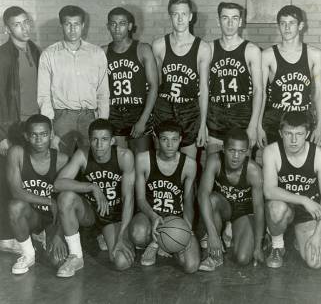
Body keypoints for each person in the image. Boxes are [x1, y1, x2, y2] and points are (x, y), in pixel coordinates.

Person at [54, 119, 135, 277]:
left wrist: (121, 236)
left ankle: (103, 236)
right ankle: (76, 256)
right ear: (89, 139)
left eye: (104, 139)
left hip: (113, 216)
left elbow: (128, 200)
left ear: (112, 140)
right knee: (66, 197)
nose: (99, 145)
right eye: (94, 139)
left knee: (121, 262)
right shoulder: (83, 154)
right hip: (90, 212)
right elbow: (58, 184)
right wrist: (92, 187)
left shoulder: (124, 156)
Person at [37, 5, 109, 157]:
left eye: (76, 24)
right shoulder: (49, 54)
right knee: (61, 162)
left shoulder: (96, 53)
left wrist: (102, 123)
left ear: (83, 25)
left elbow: (103, 92)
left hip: (89, 117)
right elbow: (43, 95)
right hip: (62, 118)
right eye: (68, 24)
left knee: (91, 162)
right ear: (61, 25)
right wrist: (49, 126)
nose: (72, 29)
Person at [129, 120, 200, 273]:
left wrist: (187, 229)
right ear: (156, 139)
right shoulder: (143, 159)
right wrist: (153, 216)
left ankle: (163, 244)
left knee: (191, 266)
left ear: (180, 140)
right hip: (150, 215)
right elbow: (140, 198)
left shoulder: (189, 164)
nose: (169, 145)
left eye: (174, 140)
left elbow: (188, 202)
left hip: (176, 219)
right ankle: (156, 243)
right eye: (164, 139)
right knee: (137, 234)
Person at [7, 114, 69, 274]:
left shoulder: (62, 160)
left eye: (44, 134)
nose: (39, 140)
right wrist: (49, 201)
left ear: (51, 135)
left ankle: (43, 238)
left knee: (58, 261)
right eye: (34, 135)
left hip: (52, 219)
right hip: (31, 215)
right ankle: (28, 254)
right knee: (15, 206)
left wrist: (59, 234)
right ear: (26, 136)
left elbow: (66, 204)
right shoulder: (17, 153)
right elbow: (16, 191)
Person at [0, 6, 41, 250]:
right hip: (10, 129)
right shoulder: (3, 55)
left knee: (26, 182)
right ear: (7, 29)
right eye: (17, 24)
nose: (24, 27)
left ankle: (23, 230)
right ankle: (6, 237)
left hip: (30, 126)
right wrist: (2, 135)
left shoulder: (34, 50)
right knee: (7, 183)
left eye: (26, 22)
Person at [152, 0, 211, 159]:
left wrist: (203, 124)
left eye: (184, 14)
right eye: (175, 14)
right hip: (164, 108)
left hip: (189, 111)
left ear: (191, 17)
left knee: (189, 164)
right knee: (161, 162)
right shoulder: (158, 45)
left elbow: (204, 89)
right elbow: (155, 86)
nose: (179, 19)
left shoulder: (202, 48)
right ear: (170, 15)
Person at [198, 128, 264, 271]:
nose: (236, 156)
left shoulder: (253, 170)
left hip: (244, 213)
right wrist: (212, 235)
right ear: (223, 149)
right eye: (231, 150)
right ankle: (215, 256)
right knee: (212, 199)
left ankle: (236, 234)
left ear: (247, 152)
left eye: (241, 152)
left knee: (243, 259)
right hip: (224, 208)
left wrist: (258, 245)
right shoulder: (214, 161)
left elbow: (259, 209)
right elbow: (202, 194)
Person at [263, 112, 321, 269]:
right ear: (281, 133)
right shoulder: (271, 151)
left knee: (315, 263)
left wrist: (318, 235)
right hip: (285, 206)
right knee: (275, 208)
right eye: (289, 134)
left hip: (307, 213)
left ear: (307, 134)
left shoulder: (318, 155)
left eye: (299, 134)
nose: (294, 140)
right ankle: (277, 245)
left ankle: (299, 237)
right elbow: (269, 191)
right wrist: (303, 199)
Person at [259, 5, 321, 147]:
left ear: (301, 26)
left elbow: (319, 94)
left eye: (291, 23)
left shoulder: (315, 55)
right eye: (283, 23)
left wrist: (320, 126)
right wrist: (258, 126)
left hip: (303, 119)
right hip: (275, 119)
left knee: (303, 166)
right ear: (278, 26)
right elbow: (260, 93)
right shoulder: (267, 55)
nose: (287, 28)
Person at [206, 2, 262, 154]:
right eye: (225, 18)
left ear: (241, 22)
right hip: (215, 117)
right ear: (218, 21)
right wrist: (202, 124)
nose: (230, 23)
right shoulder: (209, 48)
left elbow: (258, 90)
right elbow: (202, 89)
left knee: (241, 168)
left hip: (242, 116)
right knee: (214, 164)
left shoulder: (251, 50)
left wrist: (253, 125)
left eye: (234, 18)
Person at [103, 7, 158, 154]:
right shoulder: (103, 52)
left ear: (129, 26)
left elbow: (154, 86)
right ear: (108, 26)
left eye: (121, 23)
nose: (117, 28)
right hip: (114, 114)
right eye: (113, 24)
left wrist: (143, 120)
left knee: (142, 162)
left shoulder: (143, 49)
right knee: (121, 165)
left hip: (138, 113)